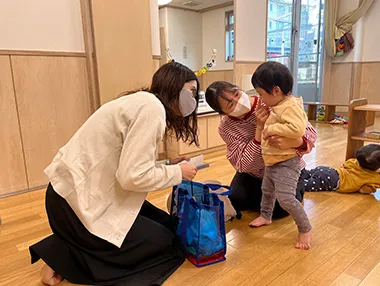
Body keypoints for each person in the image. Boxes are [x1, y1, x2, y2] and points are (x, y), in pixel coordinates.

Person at [29, 62, 200, 286]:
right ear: (173, 86)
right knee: (166, 243)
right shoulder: (152, 109)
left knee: (167, 225)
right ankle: (63, 257)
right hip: (76, 207)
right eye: (191, 91)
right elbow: (132, 177)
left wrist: (168, 163)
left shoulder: (142, 101)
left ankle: (70, 246)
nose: (194, 99)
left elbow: (127, 159)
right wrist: (178, 172)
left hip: (69, 196)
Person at [205, 80, 317, 220]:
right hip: (256, 174)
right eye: (231, 104)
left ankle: (304, 181)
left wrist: (297, 142)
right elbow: (244, 165)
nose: (238, 101)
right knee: (237, 200)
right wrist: (259, 129)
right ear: (223, 113)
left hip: (286, 169)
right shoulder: (226, 127)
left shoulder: (270, 102)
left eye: (237, 94)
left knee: (280, 209)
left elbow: (311, 134)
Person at [248, 62, 312, 250]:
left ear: (276, 90)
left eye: (261, 93)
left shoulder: (290, 106)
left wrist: (270, 127)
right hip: (273, 161)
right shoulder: (278, 105)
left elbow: (297, 129)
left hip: (286, 162)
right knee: (267, 190)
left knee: (286, 198)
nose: (260, 98)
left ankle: (305, 228)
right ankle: (266, 216)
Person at [303, 144, 380, 194]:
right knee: (307, 185)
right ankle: (295, 185)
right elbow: (363, 190)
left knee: (307, 173)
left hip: (330, 171)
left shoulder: (355, 162)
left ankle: (297, 173)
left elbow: (345, 164)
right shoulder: (374, 178)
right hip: (333, 181)